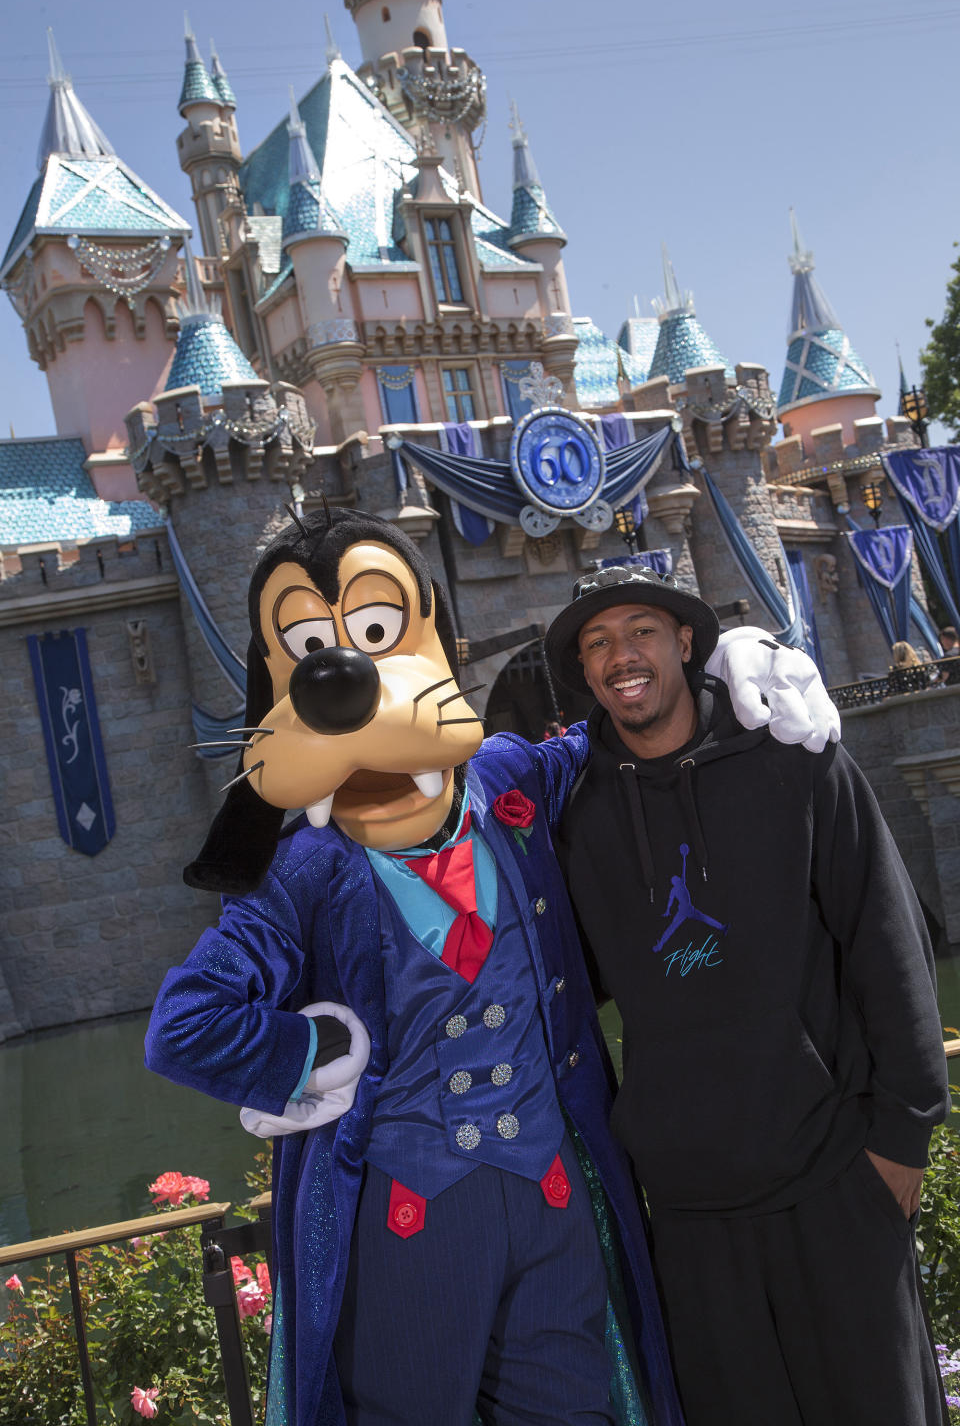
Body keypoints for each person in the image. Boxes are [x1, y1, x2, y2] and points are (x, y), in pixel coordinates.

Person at [145, 513, 838, 1426]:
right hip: (410, 1218)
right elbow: (185, 1027)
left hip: (553, 1200)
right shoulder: (302, 873)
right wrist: (314, 1049)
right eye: (311, 648)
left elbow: (616, 737)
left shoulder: (509, 786)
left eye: (376, 631)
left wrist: (717, 662)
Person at [545, 563, 951, 1426]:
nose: (624, 655)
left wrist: (903, 1138)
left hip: (836, 1178)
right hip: (692, 1219)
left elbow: (886, 939)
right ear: (584, 670)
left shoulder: (796, 761)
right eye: (599, 642)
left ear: (686, 642)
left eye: (643, 631)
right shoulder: (576, 817)